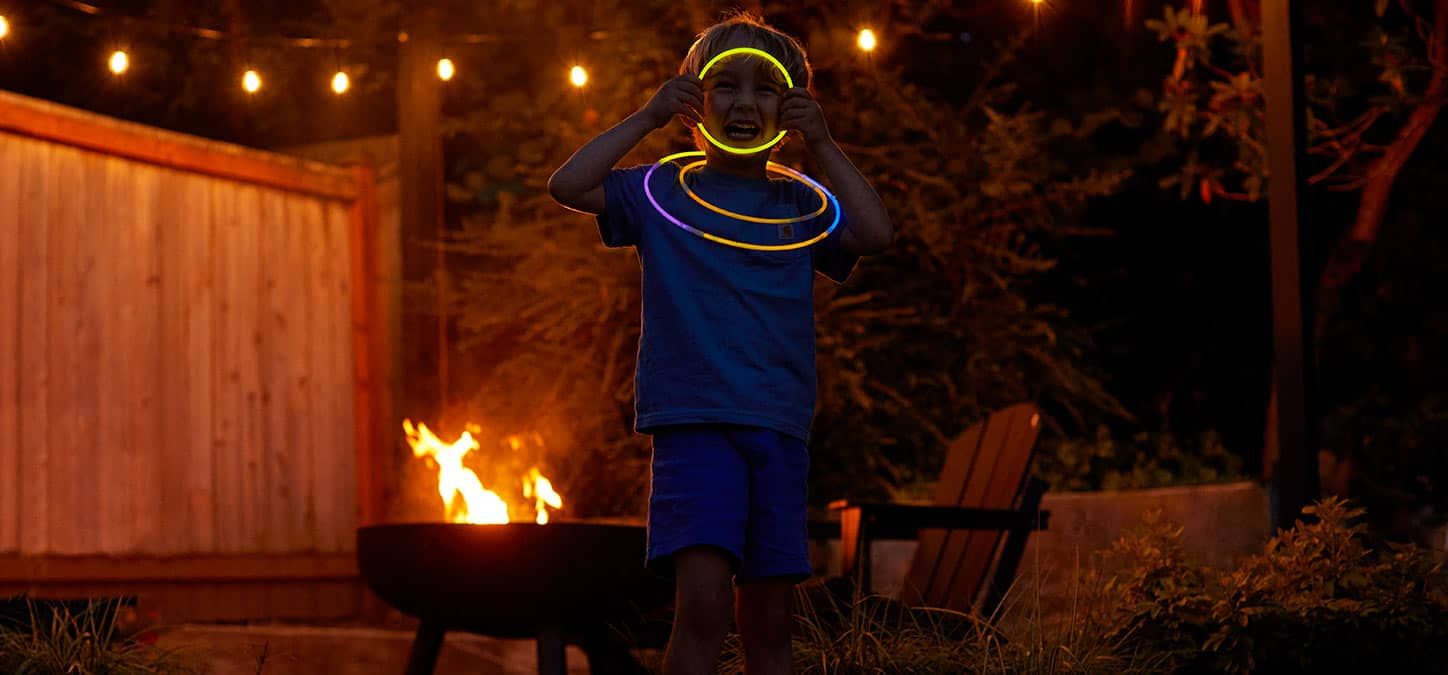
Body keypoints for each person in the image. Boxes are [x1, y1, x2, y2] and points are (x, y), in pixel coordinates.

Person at [547, 12, 892, 675]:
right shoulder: (659, 192)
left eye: (766, 89)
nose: (744, 102)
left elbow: (876, 233)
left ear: (790, 108)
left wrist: (821, 144)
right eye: (724, 85)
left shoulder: (800, 206)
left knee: (769, 623)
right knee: (702, 610)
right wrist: (647, 117)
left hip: (778, 427)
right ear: (693, 104)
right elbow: (568, 184)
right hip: (695, 424)